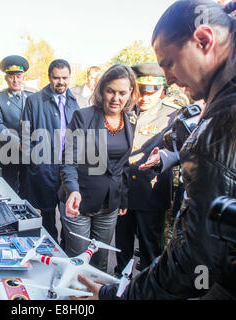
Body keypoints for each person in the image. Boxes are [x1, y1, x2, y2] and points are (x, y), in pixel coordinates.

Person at [76, 0, 236, 300]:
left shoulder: (224, 123)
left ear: (204, 40)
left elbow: (192, 261)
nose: (169, 78)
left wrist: (117, 297)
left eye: (169, 62)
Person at [59, 64, 138, 271]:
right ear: (102, 90)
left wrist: (123, 197)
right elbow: (68, 160)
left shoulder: (130, 118)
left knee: (100, 261)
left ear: (130, 93)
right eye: (110, 91)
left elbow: (123, 164)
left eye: (122, 92)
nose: (116, 98)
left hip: (110, 204)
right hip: (79, 202)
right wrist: (73, 190)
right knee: (78, 263)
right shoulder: (82, 117)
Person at [115, 62, 179, 274]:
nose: (145, 97)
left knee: (150, 251)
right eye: (140, 91)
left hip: (151, 193)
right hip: (123, 192)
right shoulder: (123, 110)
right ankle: (119, 287)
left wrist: (164, 157)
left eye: (152, 92)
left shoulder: (173, 115)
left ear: (162, 89)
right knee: (121, 247)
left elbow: (183, 150)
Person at [20, 59, 79, 243]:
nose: (61, 82)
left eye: (65, 77)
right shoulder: (34, 101)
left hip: (69, 166)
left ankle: (66, 251)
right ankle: (50, 251)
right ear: (49, 77)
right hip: (44, 167)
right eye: (56, 77)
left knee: (69, 214)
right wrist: (35, 164)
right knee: (46, 215)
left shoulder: (76, 101)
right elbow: (25, 136)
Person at [0, 55, 34, 193]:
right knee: (8, 190)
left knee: (28, 189)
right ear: (6, 78)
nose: (15, 80)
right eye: (11, 76)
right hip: (9, 151)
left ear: (23, 77)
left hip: (31, 151)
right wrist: (18, 143)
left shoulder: (33, 96)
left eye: (18, 76)